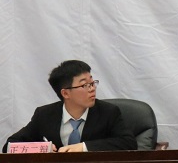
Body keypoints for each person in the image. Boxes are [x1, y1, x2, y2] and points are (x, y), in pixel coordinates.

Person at [3, 60, 137, 152]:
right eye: (85, 85)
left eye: (92, 83)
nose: (92, 89)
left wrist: (83, 147)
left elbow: (128, 143)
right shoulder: (44, 115)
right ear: (66, 93)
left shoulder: (108, 112)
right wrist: (41, 149)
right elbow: (9, 145)